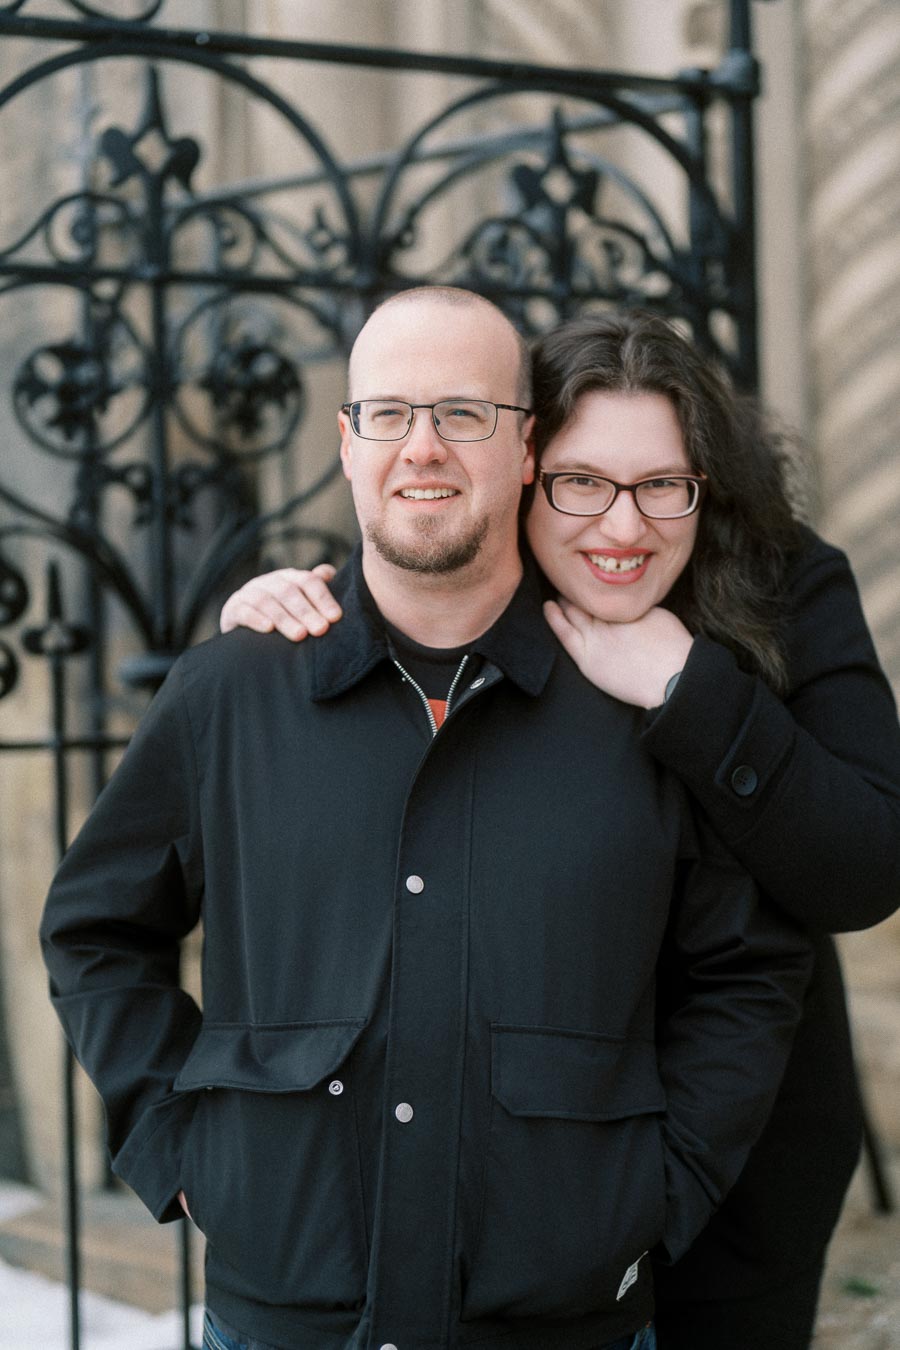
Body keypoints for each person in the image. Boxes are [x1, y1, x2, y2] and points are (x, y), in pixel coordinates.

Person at [40, 288, 812, 1350]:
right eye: (389, 414)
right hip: (283, 1319)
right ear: (347, 443)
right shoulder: (231, 693)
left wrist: (656, 1191)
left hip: (567, 1323)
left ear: (527, 448)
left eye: (464, 414)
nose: (424, 449)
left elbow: (747, 970)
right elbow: (96, 933)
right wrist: (182, 1152)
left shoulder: (643, 700)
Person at [220, 307, 900, 1350]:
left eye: (662, 485)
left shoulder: (786, 583)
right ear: (527, 466)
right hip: (510, 1199)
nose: (620, 529)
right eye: (582, 482)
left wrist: (691, 689)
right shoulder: (476, 585)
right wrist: (283, 611)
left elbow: (866, 871)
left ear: (704, 486)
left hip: (743, 1163)